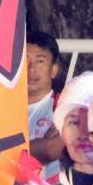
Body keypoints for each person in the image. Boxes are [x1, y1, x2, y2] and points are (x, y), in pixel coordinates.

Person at [27, 31, 66, 164]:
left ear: (53, 70)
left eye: (40, 61)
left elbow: (52, 150)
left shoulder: (64, 108)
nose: (31, 69)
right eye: (25, 60)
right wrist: (40, 146)